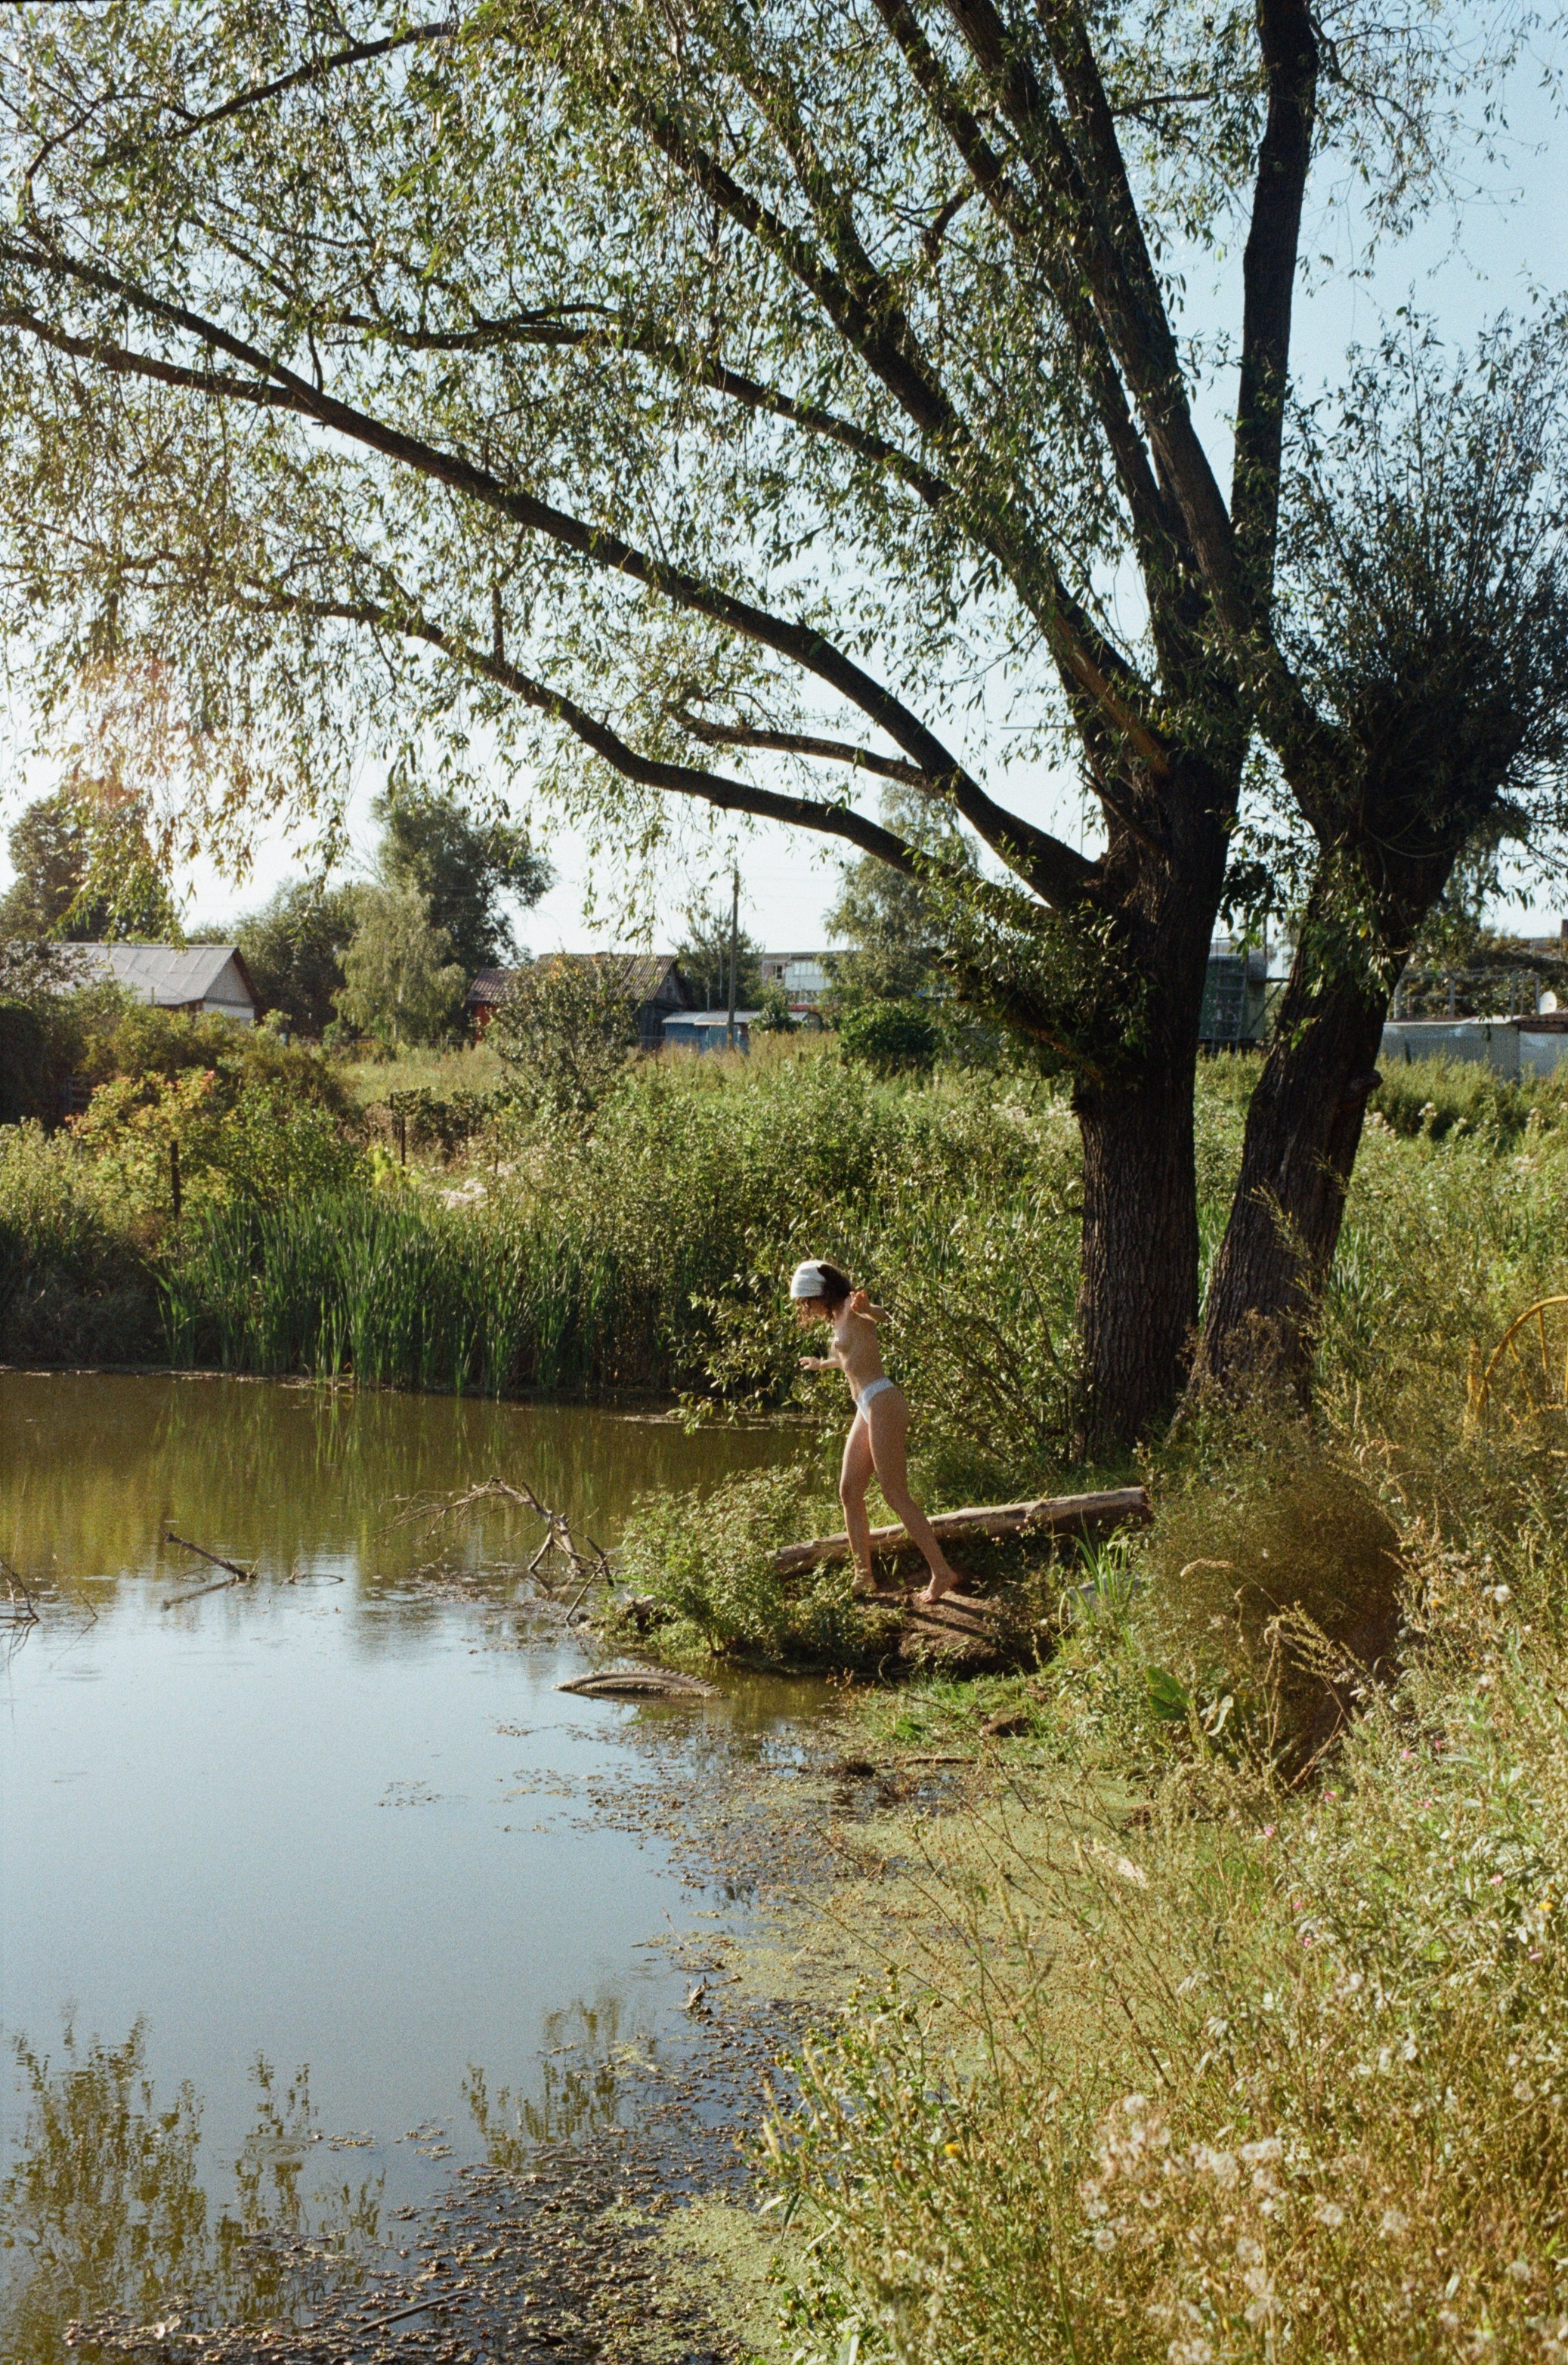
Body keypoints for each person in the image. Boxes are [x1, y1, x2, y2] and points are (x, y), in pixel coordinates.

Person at [790, 1257, 963, 1605]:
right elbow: (850, 1356)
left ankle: (942, 1573)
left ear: (821, 1292)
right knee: (849, 1490)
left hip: (883, 1400)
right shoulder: (837, 1315)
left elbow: (881, 1317)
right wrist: (822, 1363)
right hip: (866, 1405)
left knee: (894, 1493)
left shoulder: (854, 1307)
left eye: (807, 1300)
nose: (806, 1307)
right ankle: (863, 1577)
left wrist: (869, 1307)